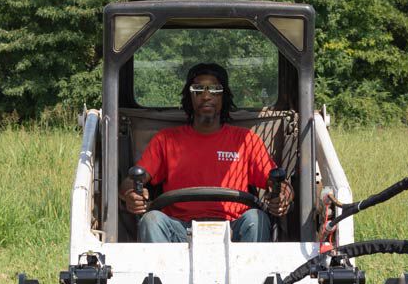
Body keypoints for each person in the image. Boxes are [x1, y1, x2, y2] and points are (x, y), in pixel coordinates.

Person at [121, 62, 294, 242]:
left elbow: (280, 184)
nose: (206, 96)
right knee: (152, 220)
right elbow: (130, 182)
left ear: (224, 96)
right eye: (198, 89)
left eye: (214, 89)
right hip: (179, 228)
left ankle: (252, 271)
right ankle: (160, 272)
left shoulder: (246, 140)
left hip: (234, 228)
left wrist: (283, 196)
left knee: (257, 218)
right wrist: (131, 194)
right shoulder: (166, 139)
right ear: (189, 96)